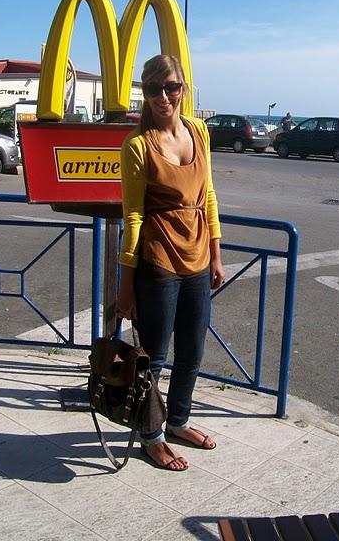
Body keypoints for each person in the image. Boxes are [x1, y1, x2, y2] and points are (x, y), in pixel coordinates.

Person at [116, 54, 225, 472]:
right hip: (158, 262)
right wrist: (126, 286)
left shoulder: (198, 131)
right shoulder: (138, 145)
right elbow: (134, 216)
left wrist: (216, 253)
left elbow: (208, 195)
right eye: (153, 89)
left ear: (184, 88)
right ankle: (152, 436)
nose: (164, 96)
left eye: (172, 87)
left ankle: (177, 421)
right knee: (154, 358)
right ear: (143, 92)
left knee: (193, 351)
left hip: (198, 259)